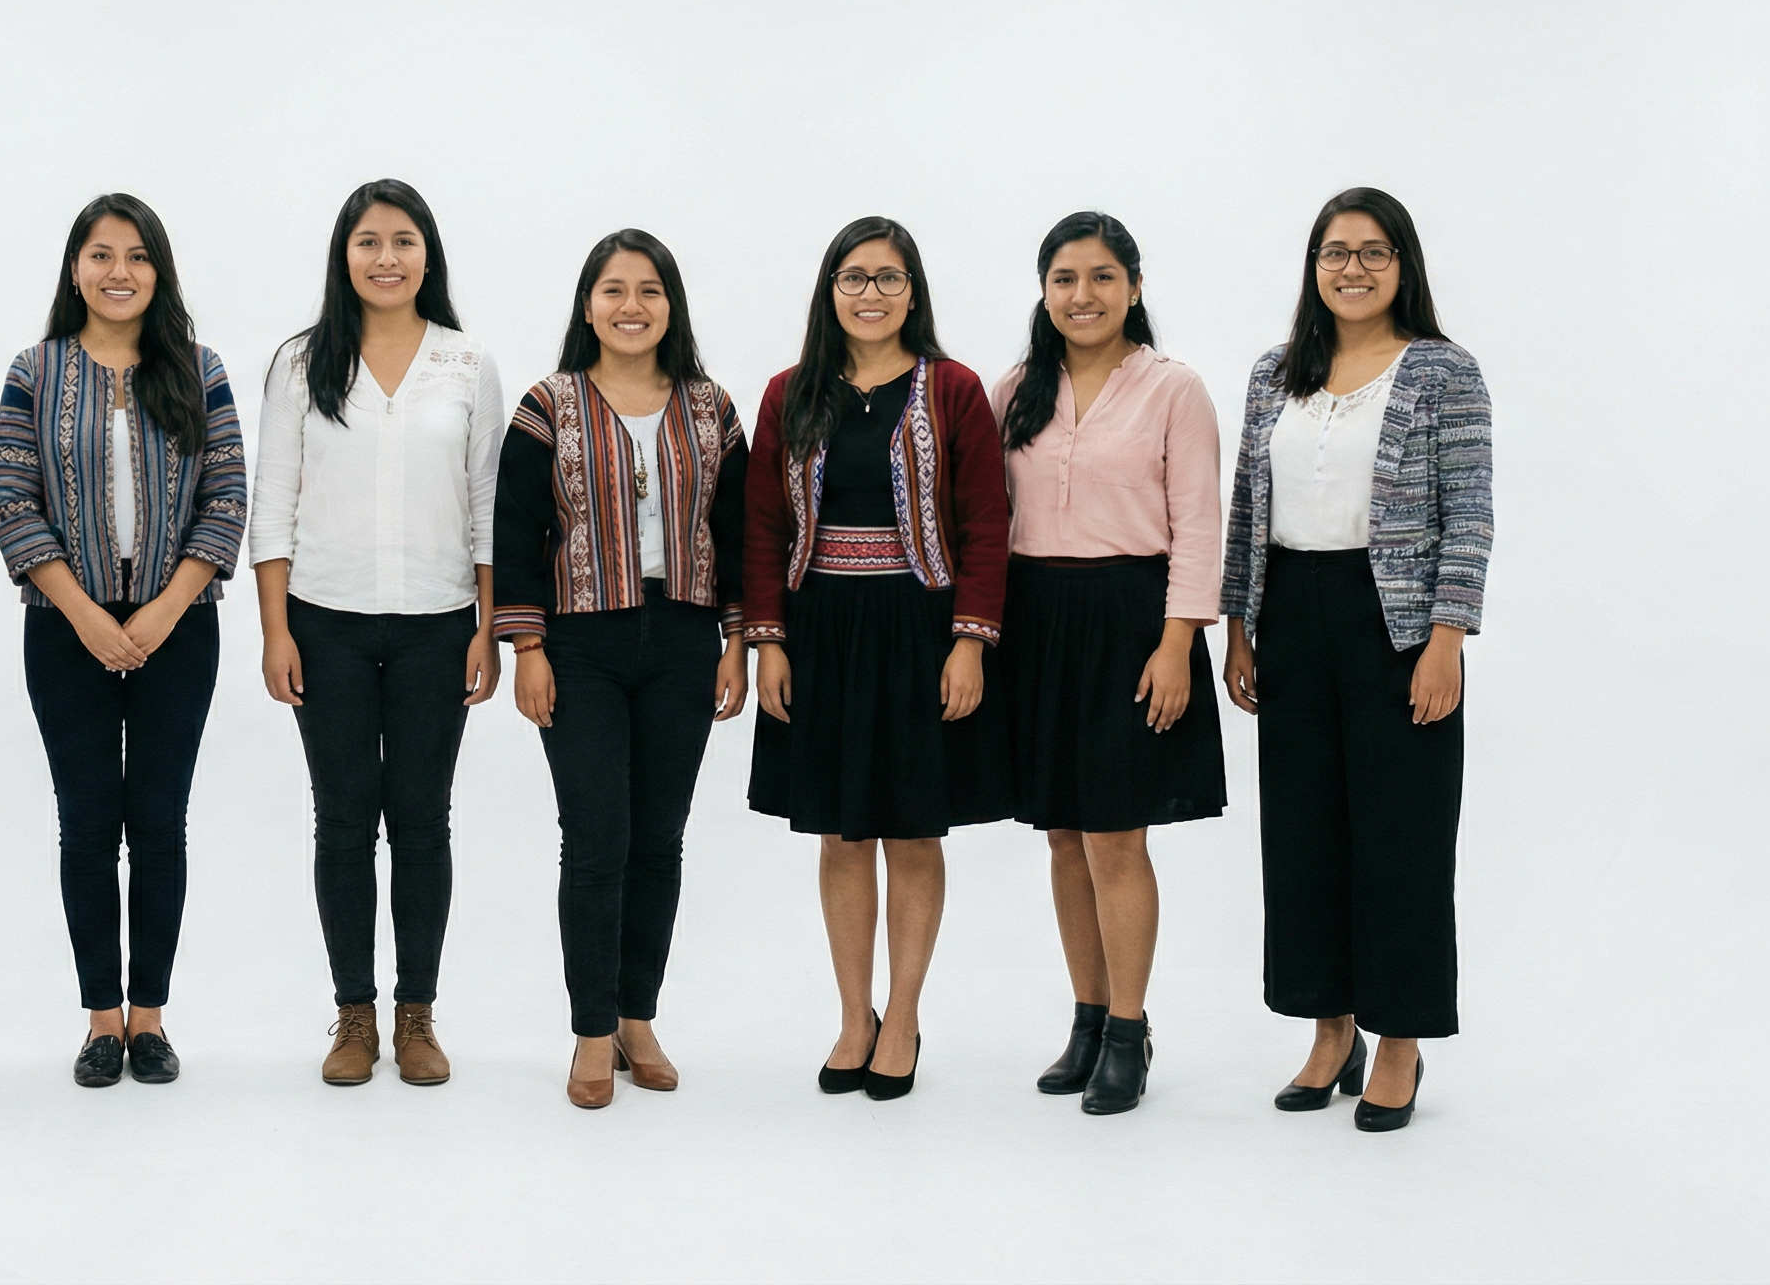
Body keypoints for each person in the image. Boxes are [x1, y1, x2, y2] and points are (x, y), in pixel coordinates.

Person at [1220, 187, 1491, 1133]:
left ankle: (1401, 1042)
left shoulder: (1444, 374)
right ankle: (1330, 1030)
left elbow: (1470, 517)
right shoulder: (1273, 374)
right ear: (1314, 267)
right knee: (1302, 836)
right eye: (1336, 252)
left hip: (1399, 626)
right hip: (1291, 609)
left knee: (1403, 838)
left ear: (1404, 266)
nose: (1353, 268)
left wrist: (1447, 639)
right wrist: (1240, 623)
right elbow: (1248, 507)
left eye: (1374, 252)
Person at [742, 215, 1011, 1104]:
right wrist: (768, 642)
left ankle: (904, 1016)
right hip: (820, 629)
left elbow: (985, 523)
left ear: (914, 291)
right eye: (854, 278)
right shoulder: (791, 392)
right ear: (830, 291)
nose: (870, 294)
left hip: (920, 629)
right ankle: (852, 1015)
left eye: (888, 278)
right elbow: (764, 528)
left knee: (913, 828)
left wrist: (970, 642)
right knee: (841, 830)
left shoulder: (954, 389)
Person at [250, 179, 504, 1087]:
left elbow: (486, 504)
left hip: (439, 627)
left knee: (424, 822)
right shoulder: (299, 362)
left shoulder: (466, 364)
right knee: (343, 821)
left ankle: (418, 1016)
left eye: (403, 241)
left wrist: (486, 624)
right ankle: (353, 1016)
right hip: (327, 624)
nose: (386, 257)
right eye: (368, 241)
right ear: (343, 255)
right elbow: (271, 502)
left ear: (427, 254)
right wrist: (276, 631)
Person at [0, 193, 247, 1090]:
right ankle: (101, 1019)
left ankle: (151, 1019)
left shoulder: (200, 370)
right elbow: (14, 506)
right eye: (100, 255)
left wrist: (162, 611)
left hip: (179, 629)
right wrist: (89, 616)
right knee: (87, 825)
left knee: (161, 824)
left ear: (158, 271)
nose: (118, 272)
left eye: (137, 256)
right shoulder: (36, 371)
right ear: (75, 270)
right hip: (66, 634)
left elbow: (225, 502)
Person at [493, 228, 750, 1109]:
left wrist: (738, 647)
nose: (631, 306)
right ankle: (592, 1032)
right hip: (579, 645)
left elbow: (744, 533)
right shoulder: (546, 404)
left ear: (671, 305)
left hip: (683, 641)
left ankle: (639, 1016)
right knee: (596, 840)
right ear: (588, 304)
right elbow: (517, 535)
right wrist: (528, 650)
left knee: (660, 841)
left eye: (649, 290)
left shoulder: (712, 407)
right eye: (613, 290)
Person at [986, 212, 1225, 1116]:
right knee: (1061, 834)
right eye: (1063, 280)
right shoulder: (1016, 389)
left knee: (1118, 835)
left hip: (1134, 622)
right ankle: (1086, 1020)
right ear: (1044, 292)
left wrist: (1179, 641)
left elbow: (1199, 521)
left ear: (1132, 286)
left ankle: (1130, 1030)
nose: (1081, 296)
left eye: (1100, 277)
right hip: (1036, 620)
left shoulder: (1174, 390)